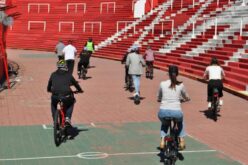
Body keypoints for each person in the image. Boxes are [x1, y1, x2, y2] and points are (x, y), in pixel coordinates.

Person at [157, 65, 190, 150]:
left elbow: (159, 96)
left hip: (163, 112)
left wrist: (159, 99)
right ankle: (182, 140)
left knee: (164, 124)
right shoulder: (181, 85)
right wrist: (187, 99)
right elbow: (186, 96)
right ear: (177, 74)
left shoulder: (162, 83)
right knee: (180, 122)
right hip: (176, 112)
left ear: (168, 73)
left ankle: (162, 140)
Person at [47, 60, 83, 126]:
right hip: (67, 96)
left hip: (55, 96)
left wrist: (49, 90)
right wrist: (80, 90)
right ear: (65, 66)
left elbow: (49, 84)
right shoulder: (69, 75)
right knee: (71, 103)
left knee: (53, 104)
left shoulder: (53, 74)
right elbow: (75, 84)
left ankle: (55, 121)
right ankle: (67, 118)